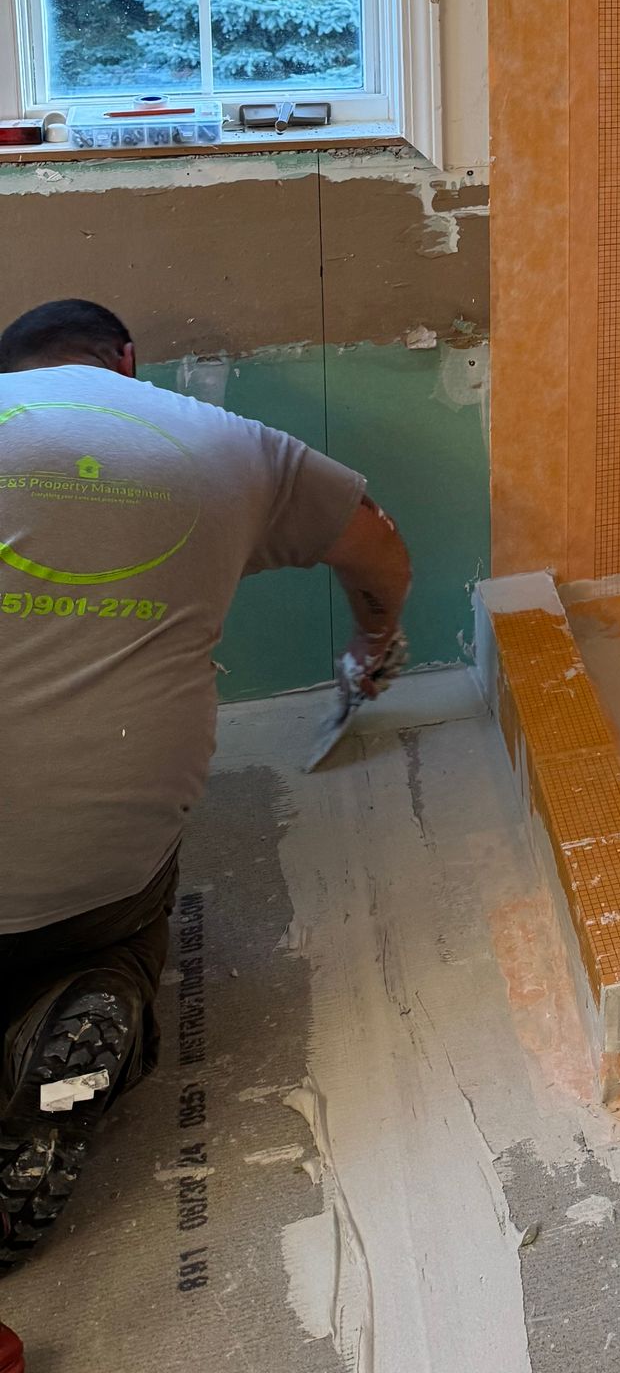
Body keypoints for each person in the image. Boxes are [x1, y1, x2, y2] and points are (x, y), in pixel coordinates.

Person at [0, 298, 410, 1271]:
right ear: (125, 361)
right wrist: (374, 648)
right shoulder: (229, 445)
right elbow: (378, 548)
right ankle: (100, 990)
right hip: (91, 873)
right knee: (114, 898)